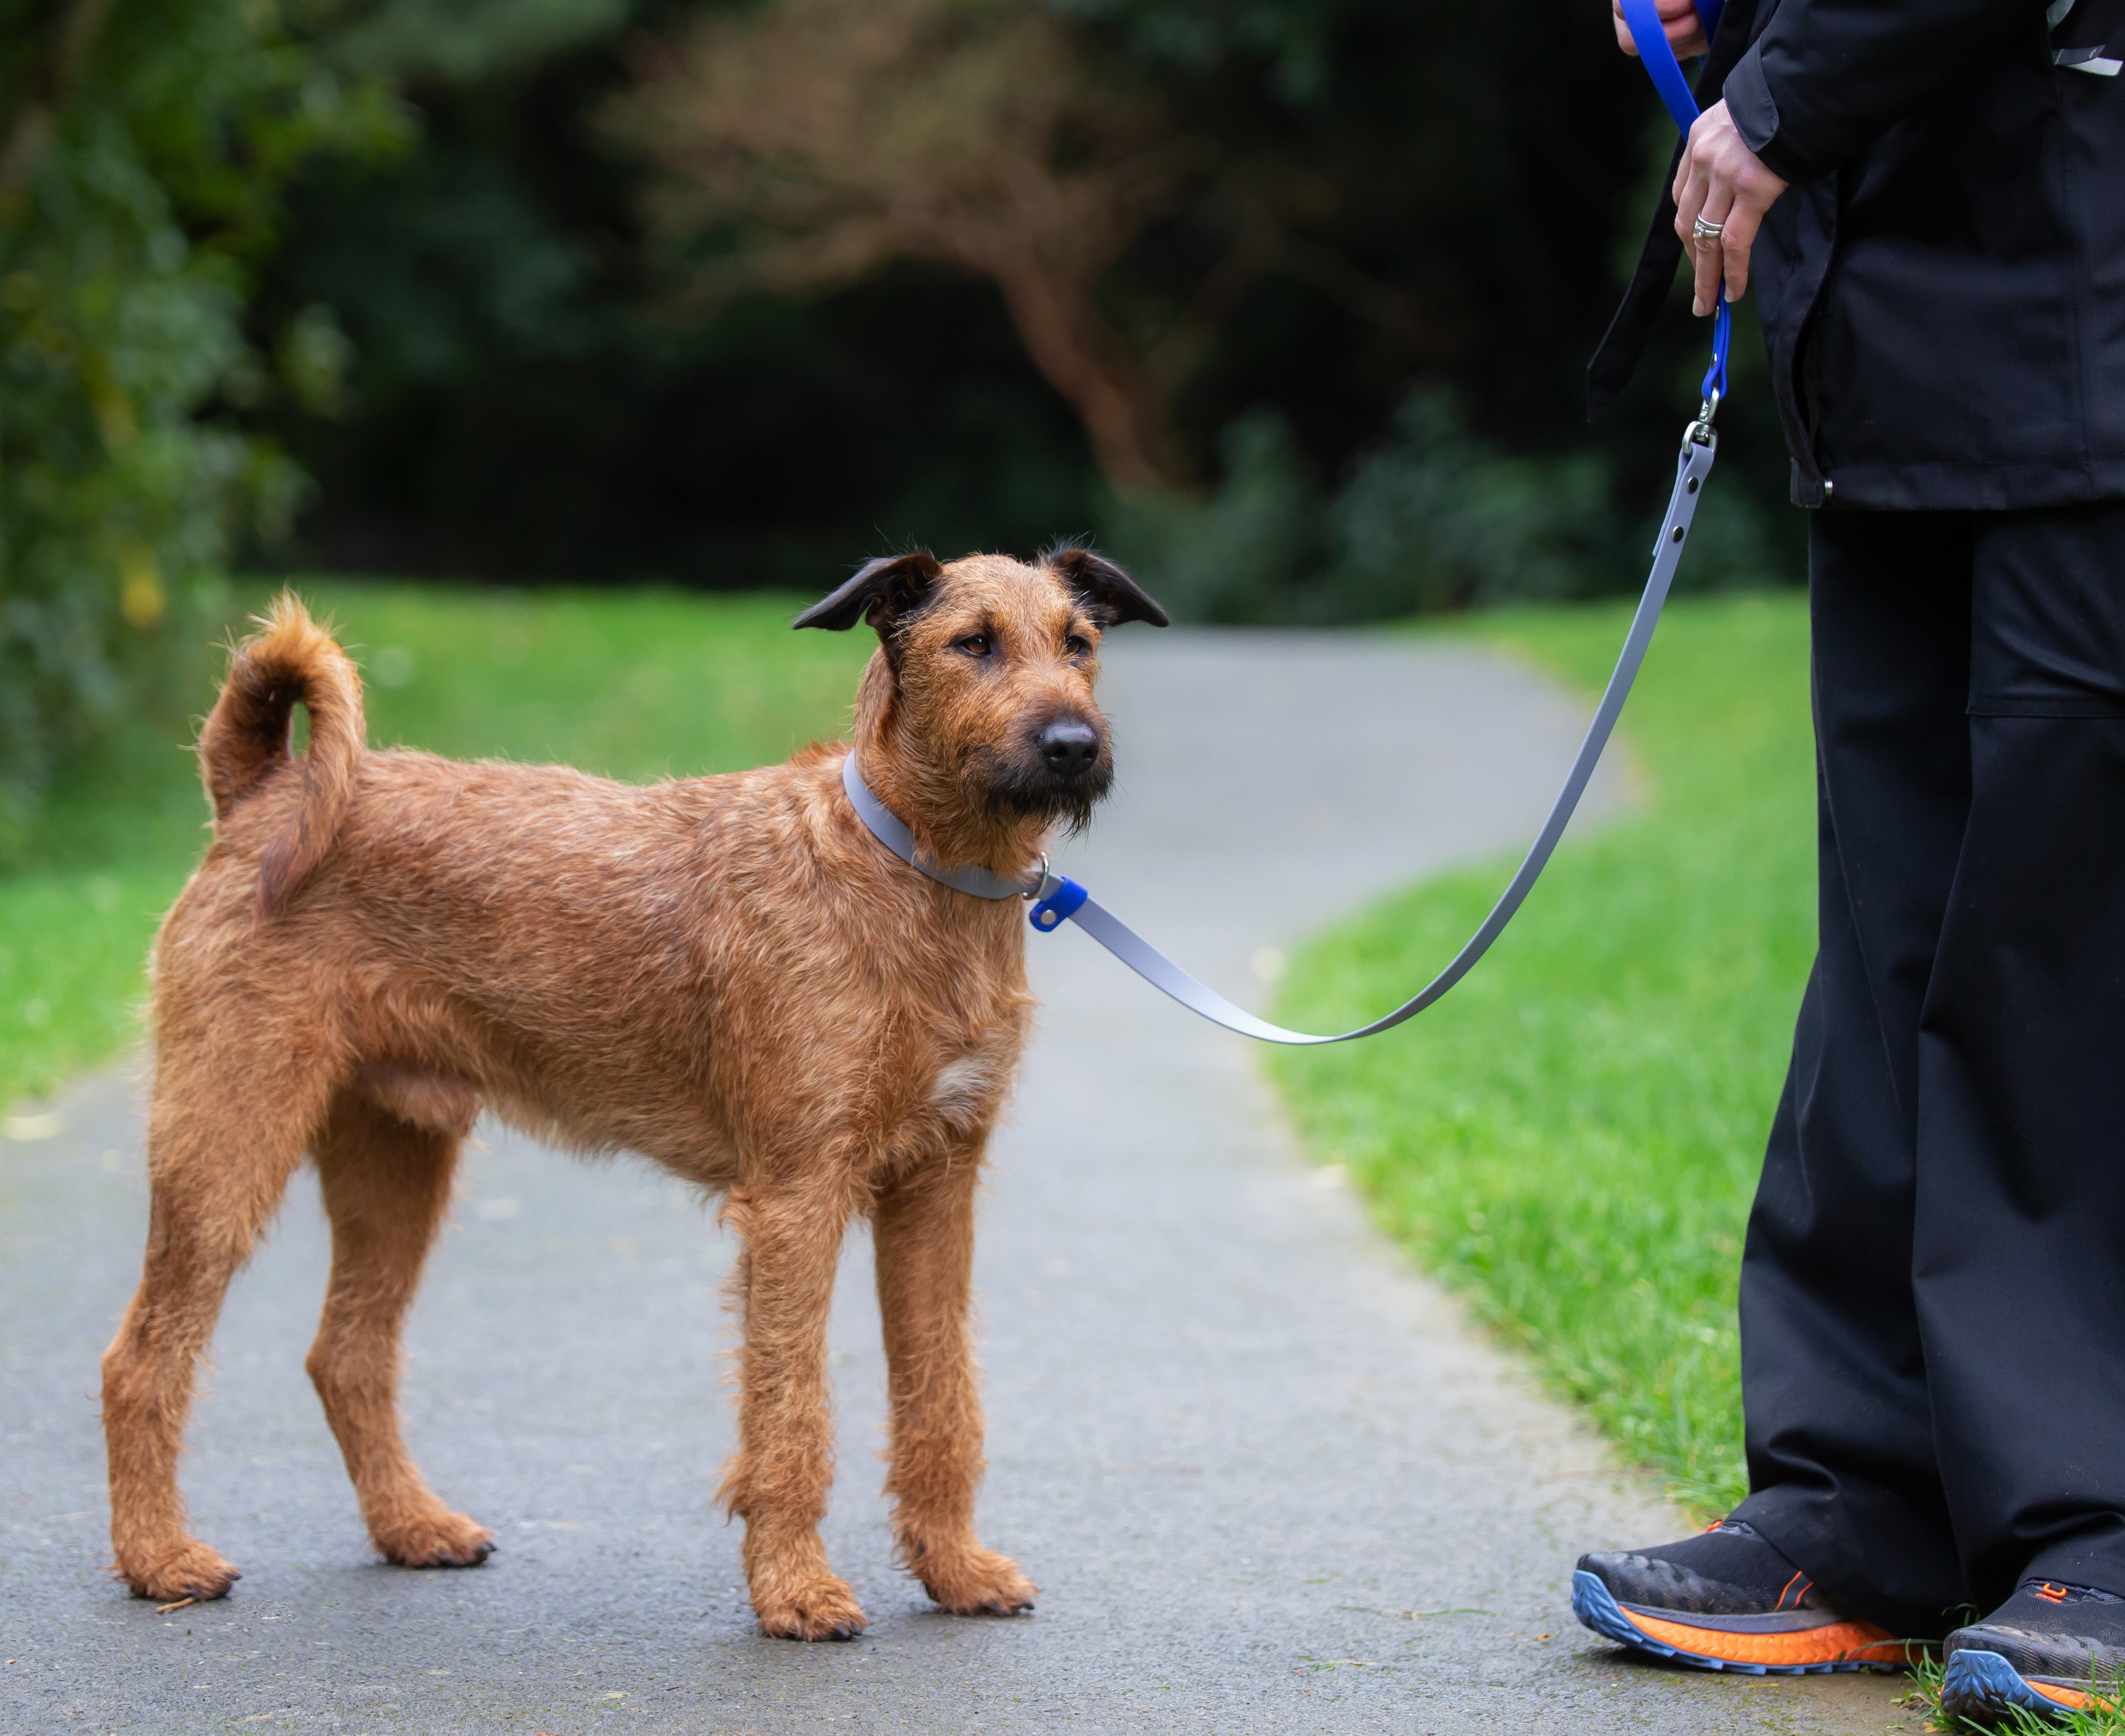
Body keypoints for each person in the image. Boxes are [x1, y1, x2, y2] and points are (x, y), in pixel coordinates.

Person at [1569, 0, 2125, 1723]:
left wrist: (1781, 91)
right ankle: (1861, 1509)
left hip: (2089, 320)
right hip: (1888, 355)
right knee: (1887, 952)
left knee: (2057, 955)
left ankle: (2099, 1534)